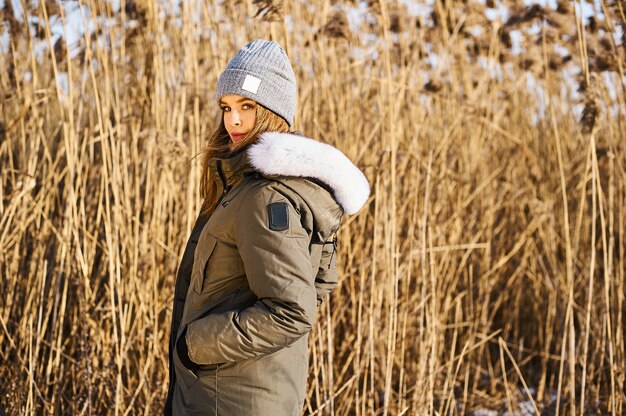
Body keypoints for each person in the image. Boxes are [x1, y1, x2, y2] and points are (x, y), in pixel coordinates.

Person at [164, 39, 370, 416]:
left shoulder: (265, 197)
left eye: (247, 107)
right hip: (240, 389)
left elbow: (292, 309)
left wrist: (194, 345)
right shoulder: (253, 187)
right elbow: (317, 284)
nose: (234, 121)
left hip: (231, 398)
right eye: (227, 107)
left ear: (275, 113)